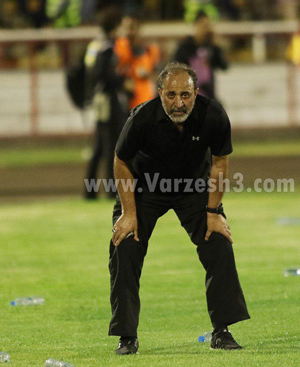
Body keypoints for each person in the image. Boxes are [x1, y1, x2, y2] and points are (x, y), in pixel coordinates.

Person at [108, 62, 250, 355]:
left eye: (185, 94)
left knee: (219, 242)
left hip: (193, 188)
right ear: (160, 93)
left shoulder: (213, 115)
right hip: (145, 188)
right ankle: (127, 336)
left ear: (196, 92)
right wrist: (129, 213)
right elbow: (120, 162)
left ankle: (222, 332)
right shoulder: (142, 118)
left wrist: (213, 214)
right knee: (125, 246)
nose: (178, 102)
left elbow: (220, 163)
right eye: (171, 95)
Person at [83, 7, 128, 200]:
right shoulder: (108, 47)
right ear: (115, 26)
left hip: (99, 99)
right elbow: (104, 75)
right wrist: (120, 80)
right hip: (108, 99)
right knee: (111, 146)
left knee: (100, 146)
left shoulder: (95, 45)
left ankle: (90, 191)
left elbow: (91, 73)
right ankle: (111, 191)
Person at [173, 10, 228, 100]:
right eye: (203, 25)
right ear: (195, 25)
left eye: (207, 26)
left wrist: (216, 46)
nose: (205, 29)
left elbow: (224, 66)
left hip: (208, 96)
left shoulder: (211, 47)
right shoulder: (185, 47)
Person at [114, 15, 161, 110]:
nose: (127, 32)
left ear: (138, 29)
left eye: (131, 28)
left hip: (144, 107)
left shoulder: (149, 51)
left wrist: (147, 74)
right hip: (120, 107)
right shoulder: (116, 50)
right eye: (125, 28)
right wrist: (123, 82)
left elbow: (160, 77)